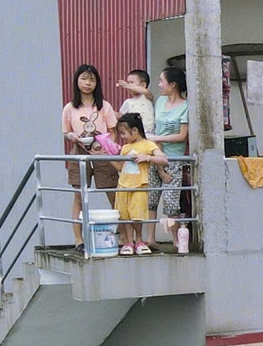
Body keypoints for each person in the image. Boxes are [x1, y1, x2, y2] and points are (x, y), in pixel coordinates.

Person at [61, 64, 118, 239]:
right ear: (77, 81)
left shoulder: (104, 106)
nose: (88, 83)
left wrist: (108, 147)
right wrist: (72, 136)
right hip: (79, 153)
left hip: (104, 155)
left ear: (97, 83)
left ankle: (122, 236)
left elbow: (113, 131)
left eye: (92, 79)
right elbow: (66, 132)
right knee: (78, 197)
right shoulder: (70, 108)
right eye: (84, 78)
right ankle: (79, 239)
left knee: (114, 195)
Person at [151, 66, 191, 253]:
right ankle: (150, 238)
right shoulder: (159, 101)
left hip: (174, 157)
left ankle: (176, 240)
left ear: (173, 84)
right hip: (156, 154)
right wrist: (156, 147)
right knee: (151, 198)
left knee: (171, 200)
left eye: (161, 81)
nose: (159, 85)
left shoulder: (186, 106)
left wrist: (157, 139)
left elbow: (182, 136)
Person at [111, 114, 162, 254]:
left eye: (124, 133)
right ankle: (128, 242)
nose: (122, 136)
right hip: (123, 185)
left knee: (137, 214)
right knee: (125, 215)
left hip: (140, 185)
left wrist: (148, 157)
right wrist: (107, 156)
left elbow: (163, 159)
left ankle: (139, 240)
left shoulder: (148, 144)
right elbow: (121, 167)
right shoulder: (125, 147)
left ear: (135, 130)